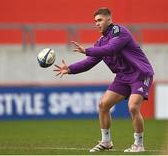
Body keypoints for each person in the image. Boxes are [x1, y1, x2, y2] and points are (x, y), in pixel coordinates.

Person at [53, 7, 154, 152]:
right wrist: (70, 69)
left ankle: (139, 144)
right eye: (95, 21)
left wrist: (86, 50)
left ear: (109, 19)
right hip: (123, 77)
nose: (97, 23)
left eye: (100, 20)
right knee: (103, 105)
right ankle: (106, 142)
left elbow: (111, 49)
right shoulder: (100, 41)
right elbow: (89, 62)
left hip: (140, 73)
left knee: (133, 106)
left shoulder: (120, 32)